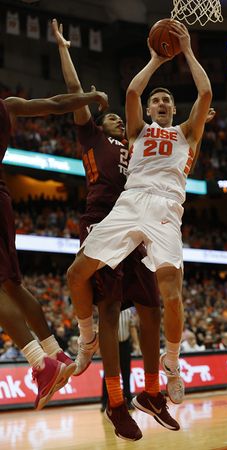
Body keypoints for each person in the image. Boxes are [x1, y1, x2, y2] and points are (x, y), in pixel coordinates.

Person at [66, 19, 212, 408]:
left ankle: (173, 366)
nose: (162, 103)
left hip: (166, 207)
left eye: (167, 101)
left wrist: (187, 50)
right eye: (156, 101)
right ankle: (86, 339)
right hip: (130, 202)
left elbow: (206, 90)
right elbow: (131, 90)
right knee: (76, 274)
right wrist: (155, 59)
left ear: (175, 110)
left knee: (172, 296)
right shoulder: (137, 131)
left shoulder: (188, 133)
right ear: (148, 110)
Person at [53, 19, 179, 442]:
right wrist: (64, 49)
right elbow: (75, 94)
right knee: (109, 310)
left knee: (152, 307)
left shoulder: (137, 144)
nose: (117, 122)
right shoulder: (91, 136)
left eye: (119, 120)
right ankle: (115, 400)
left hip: (138, 228)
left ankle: (152, 392)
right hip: (103, 223)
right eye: (112, 119)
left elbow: (174, 144)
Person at [0, 88, 109, 411]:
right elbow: (56, 104)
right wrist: (90, 98)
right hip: (3, 197)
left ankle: (40, 363)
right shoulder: (9, 106)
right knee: (12, 285)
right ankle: (54, 352)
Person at [101, 308, 140, 412]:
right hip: (110, 345)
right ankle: (105, 402)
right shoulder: (106, 308)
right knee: (108, 373)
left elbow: (132, 328)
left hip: (125, 345)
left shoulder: (128, 311)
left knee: (126, 373)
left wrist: (136, 344)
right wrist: (99, 346)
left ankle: (128, 400)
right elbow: (100, 328)